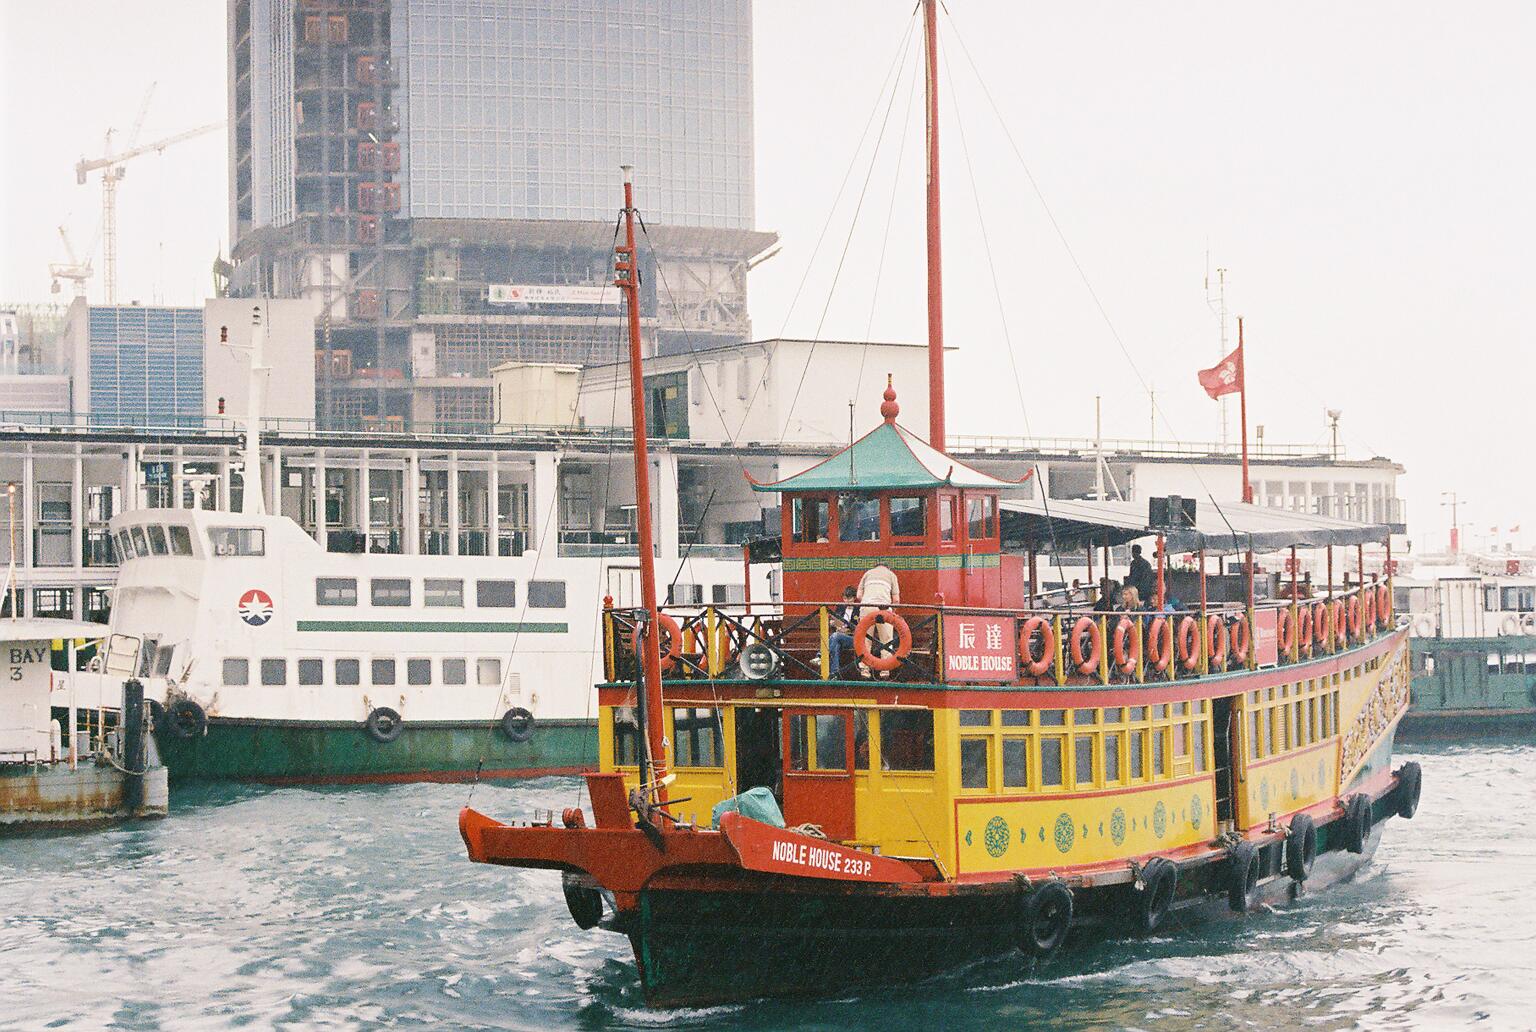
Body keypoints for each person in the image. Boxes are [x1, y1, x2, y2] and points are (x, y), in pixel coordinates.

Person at [857, 562, 901, 676]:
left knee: (865, 639)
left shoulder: (867, 573)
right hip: (884, 608)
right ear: (888, 568)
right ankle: (885, 670)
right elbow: (896, 600)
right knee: (886, 640)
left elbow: (859, 596)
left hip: (867, 606)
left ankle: (864, 670)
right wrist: (893, 612)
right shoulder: (891, 575)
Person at [828, 586, 858, 676]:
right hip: (839, 637)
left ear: (854, 598)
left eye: (849, 598)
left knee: (835, 636)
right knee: (835, 644)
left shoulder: (859, 609)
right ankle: (835, 673)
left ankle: (820, 656)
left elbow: (861, 627)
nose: (847, 601)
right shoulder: (840, 607)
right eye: (845, 598)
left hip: (853, 638)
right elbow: (834, 620)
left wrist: (848, 629)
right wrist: (833, 623)